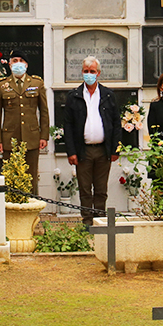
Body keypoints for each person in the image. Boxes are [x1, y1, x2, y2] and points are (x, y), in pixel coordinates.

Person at [62, 56, 121, 227]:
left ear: (98, 73)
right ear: (82, 72)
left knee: (101, 190)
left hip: (103, 150)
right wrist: (71, 151)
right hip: (83, 151)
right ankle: (87, 222)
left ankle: (100, 221)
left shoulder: (108, 95)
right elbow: (69, 125)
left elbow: (116, 123)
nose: (89, 74)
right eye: (86, 71)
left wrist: (115, 149)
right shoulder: (74, 96)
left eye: (92, 71)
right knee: (85, 189)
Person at [0, 50, 49, 191]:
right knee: (10, 177)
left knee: (31, 177)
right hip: (9, 138)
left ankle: (31, 209)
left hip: (31, 137)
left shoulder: (37, 83)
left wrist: (44, 136)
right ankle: (12, 210)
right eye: (15, 60)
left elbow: (44, 111)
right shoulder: (1, 85)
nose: (18, 64)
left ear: (26, 65)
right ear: (10, 65)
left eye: (21, 61)